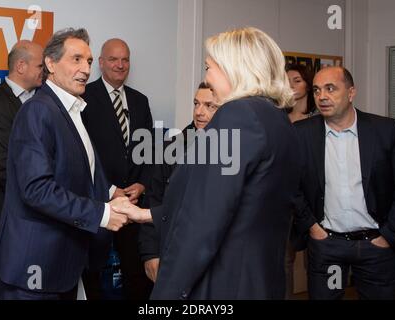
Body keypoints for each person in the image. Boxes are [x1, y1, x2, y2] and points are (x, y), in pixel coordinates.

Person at [113, 27, 301, 299]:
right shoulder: (277, 118)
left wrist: (165, 295)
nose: (207, 78)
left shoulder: (237, 115)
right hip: (257, 279)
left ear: (234, 69)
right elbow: (239, 203)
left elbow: (202, 221)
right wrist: (144, 214)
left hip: (223, 282)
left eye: (209, 67)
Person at [0, 28, 131, 300]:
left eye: (89, 61)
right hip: (35, 267)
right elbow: (37, 189)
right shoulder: (38, 110)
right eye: (76, 59)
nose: (85, 69)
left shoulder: (73, 110)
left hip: (65, 263)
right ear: (51, 64)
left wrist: (115, 196)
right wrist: (102, 213)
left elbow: (85, 172)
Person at [293, 66, 395, 299]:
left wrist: (388, 236)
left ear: (351, 92)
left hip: (375, 246)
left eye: (330, 89)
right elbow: (290, 186)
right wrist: (312, 227)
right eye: (317, 90)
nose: (322, 96)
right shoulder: (301, 133)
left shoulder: (385, 130)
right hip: (328, 246)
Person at [81, 38, 153, 299]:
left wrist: (143, 184)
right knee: (93, 275)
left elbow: (149, 150)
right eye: (113, 59)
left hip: (134, 202)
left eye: (125, 59)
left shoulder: (140, 101)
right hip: (98, 201)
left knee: (136, 275)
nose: (120, 65)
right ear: (101, 63)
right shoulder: (83, 97)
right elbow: (82, 153)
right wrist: (110, 190)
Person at [0, 40, 43, 299]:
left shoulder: (43, 103)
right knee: (1, 284)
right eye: (40, 65)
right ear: (20, 66)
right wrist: (42, 193)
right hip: (4, 216)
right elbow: (0, 167)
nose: (45, 71)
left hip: (37, 217)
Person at [138, 82, 218, 283]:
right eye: (196, 103)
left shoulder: (235, 150)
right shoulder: (171, 149)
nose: (199, 112)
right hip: (173, 251)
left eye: (210, 106)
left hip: (216, 259)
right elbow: (153, 199)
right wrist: (150, 253)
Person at [284, 63, 316, 299]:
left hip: (313, 199)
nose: (291, 85)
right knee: (284, 259)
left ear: (308, 84)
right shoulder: (278, 118)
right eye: (287, 80)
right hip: (284, 199)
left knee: (316, 260)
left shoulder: (320, 120)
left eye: (297, 80)